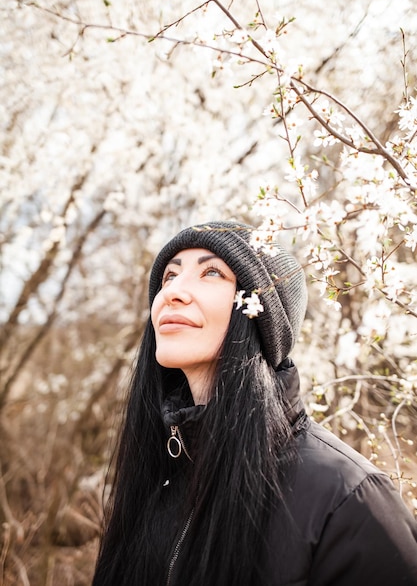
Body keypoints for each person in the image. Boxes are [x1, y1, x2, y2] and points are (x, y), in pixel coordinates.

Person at [92, 221, 417, 586]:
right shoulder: (158, 475)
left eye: (211, 272)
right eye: (169, 276)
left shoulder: (348, 500)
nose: (173, 292)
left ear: (260, 315)